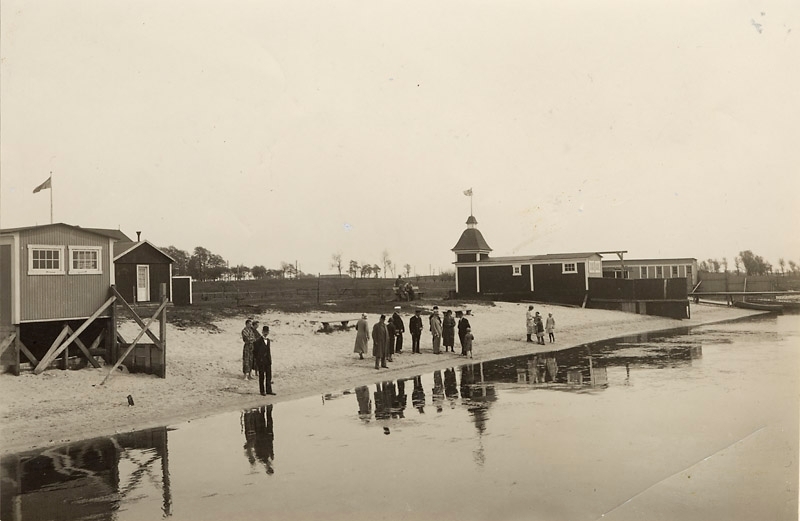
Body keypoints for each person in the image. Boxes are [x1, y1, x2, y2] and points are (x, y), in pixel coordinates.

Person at [253, 325, 275, 395]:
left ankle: (269, 390)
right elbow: (255, 352)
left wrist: (269, 360)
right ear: (262, 332)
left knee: (269, 376)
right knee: (261, 376)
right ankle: (262, 391)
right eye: (265, 332)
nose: (266, 333)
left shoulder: (268, 340)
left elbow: (268, 351)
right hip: (261, 361)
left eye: (267, 332)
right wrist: (258, 360)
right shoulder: (258, 341)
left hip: (267, 360)